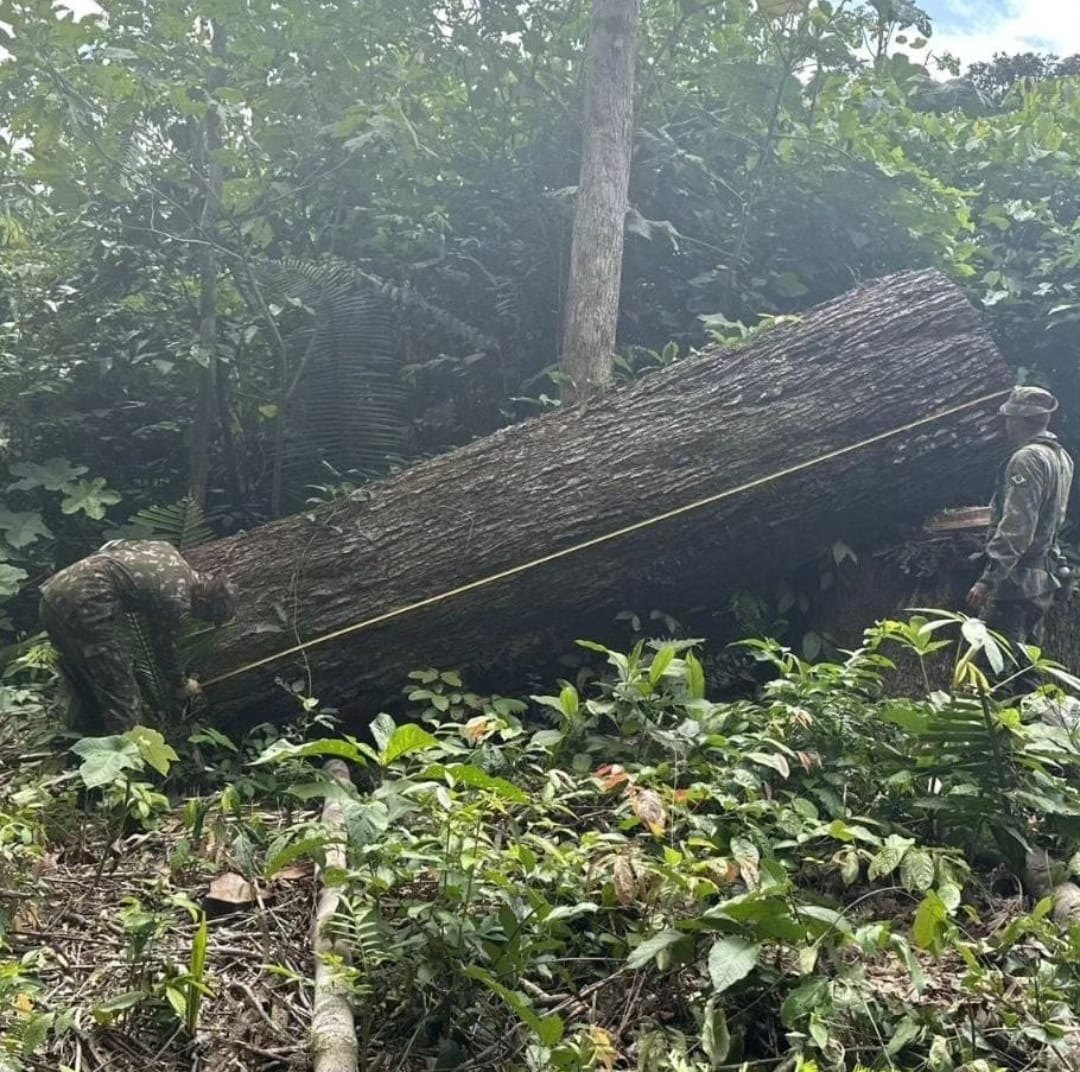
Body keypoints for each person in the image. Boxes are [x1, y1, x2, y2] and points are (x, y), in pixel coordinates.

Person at [39, 540, 238, 734]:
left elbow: (113, 545)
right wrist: (181, 684)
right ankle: (127, 756)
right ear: (203, 602)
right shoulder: (177, 600)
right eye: (204, 616)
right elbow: (163, 647)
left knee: (82, 675)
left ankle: (81, 739)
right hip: (87, 604)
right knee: (122, 692)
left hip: (53, 592)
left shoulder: (167, 551)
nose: (196, 618)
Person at [967, 386, 1074, 680]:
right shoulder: (1061, 457)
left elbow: (1017, 527)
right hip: (1042, 578)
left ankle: (993, 725)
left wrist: (988, 579)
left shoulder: (1026, 459)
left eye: (1009, 418)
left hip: (1015, 583)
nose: (1006, 424)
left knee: (994, 669)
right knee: (1027, 668)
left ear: (1018, 420)